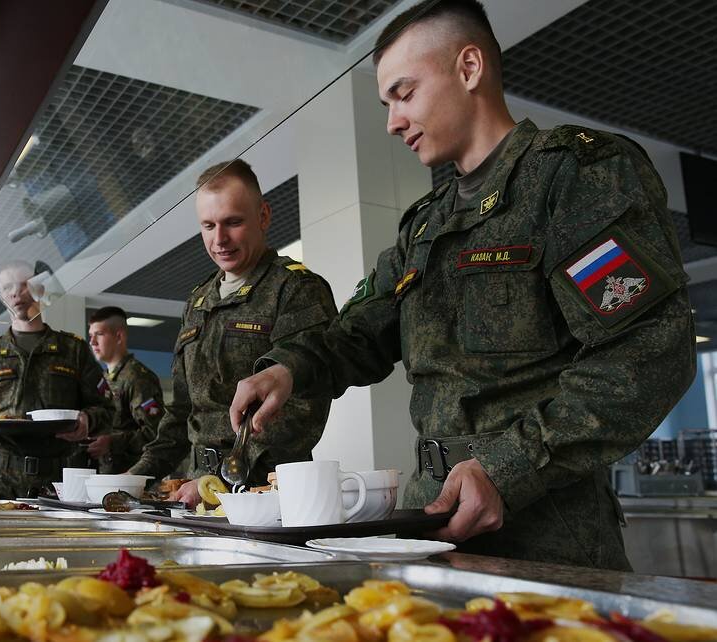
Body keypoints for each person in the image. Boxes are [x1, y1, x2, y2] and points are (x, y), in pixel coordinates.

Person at [230, 0, 695, 570]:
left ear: (469, 68)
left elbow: (649, 352)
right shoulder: (424, 226)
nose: (392, 121)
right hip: (432, 525)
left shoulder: (572, 177)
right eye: (387, 103)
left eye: (404, 93)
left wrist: (508, 466)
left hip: (549, 535)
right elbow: (357, 334)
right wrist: (288, 368)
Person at [129, 159, 338, 505]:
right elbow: (181, 412)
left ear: (264, 216)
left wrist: (222, 479)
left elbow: (302, 410)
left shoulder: (296, 289)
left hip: (268, 495)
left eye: (233, 223)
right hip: (196, 493)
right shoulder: (197, 301)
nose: (219, 239)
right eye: (208, 226)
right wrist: (136, 476)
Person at [0, 260, 113, 499]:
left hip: (62, 481)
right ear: (1, 296)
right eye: (7, 288)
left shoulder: (73, 349)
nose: (15, 293)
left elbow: (107, 409)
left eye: (23, 286)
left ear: (40, 290)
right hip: (0, 479)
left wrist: (87, 420)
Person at [86, 306, 165, 473]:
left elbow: (156, 433)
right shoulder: (102, 378)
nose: (92, 342)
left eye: (99, 334)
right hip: (102, 472)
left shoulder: (137, 378)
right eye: (91, 336)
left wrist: (113, 443)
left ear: (119, 336)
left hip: (129, 477)